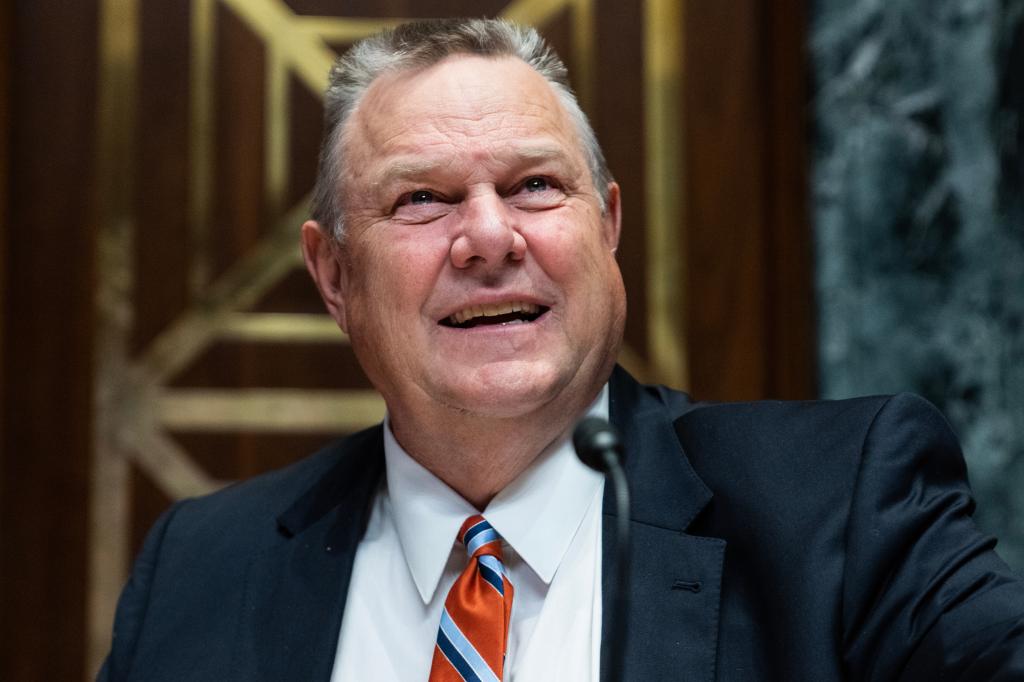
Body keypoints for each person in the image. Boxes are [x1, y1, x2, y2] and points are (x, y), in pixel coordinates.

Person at [99, 18, 1024, 681]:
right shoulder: (203, 567)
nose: (491, 237)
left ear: (608, 226)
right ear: (334, 277)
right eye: (422, 199)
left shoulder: (840, 505)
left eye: (536, 185)